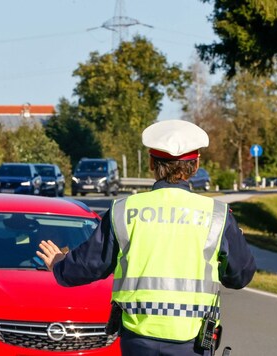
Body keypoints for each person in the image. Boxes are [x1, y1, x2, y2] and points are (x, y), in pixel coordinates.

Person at [37, 120, 256, 356]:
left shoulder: (124, 210)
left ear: (152, 163)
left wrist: (60, 263)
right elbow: (240, 275)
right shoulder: (216, 215)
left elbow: (90, 265)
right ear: (196, 165)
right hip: (192, 342)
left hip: (138, 341)